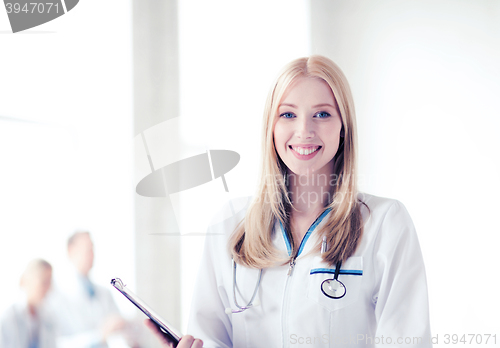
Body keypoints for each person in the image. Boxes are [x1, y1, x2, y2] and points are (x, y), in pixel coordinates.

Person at [146, 55, 432, 347]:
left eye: (322, 114)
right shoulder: (230, 223)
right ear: (271, 127)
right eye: (287, 115)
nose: (304, 130)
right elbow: (210, 337)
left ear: (343, 126)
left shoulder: (385, 222)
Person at [46, 231, 129, 348]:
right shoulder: (57, 294)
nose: (91, 255)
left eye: (92, 249)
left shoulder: (104, 293)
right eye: (86, 249)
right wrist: (99, 335)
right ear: (70, 251)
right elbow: (58, 342)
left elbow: (121, 330)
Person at [0, 258, 57, 348]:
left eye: (50, 282)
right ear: (28, 280)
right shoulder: (8, 317)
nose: (48, 288)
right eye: (44, 282)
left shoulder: (48, 317)